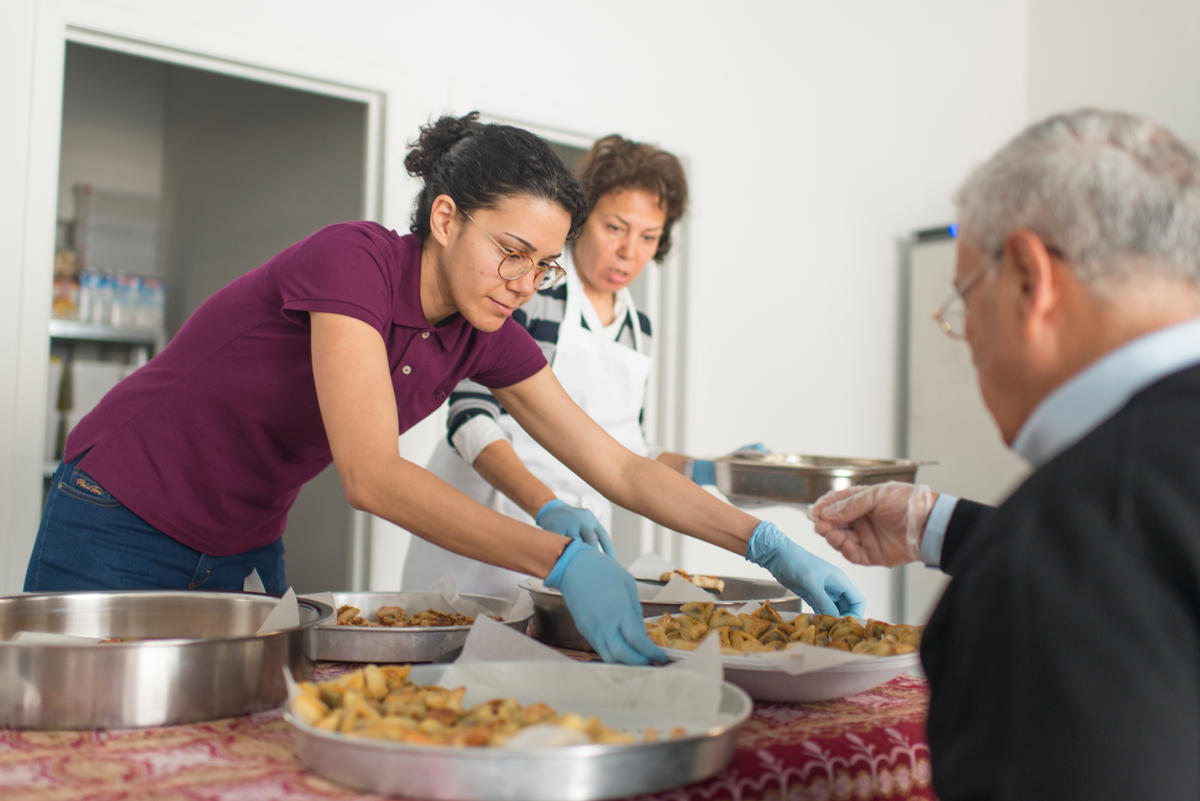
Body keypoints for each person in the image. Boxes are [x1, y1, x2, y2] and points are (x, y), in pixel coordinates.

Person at [27, 112, 863, 665]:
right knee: (67, 749)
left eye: (541, 264)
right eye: (511, 251)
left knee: (236, 742)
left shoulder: (483, 329)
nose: (524, 282)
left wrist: (764, 544)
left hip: (244, 540)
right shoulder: (349, 260)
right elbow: (372, 475)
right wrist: (560, 555)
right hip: (120, 508)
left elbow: (620, 466)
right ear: (445, 218)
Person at [809, 108, 1200, 799]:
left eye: (963, 299)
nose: (966, 337)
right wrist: (936, 524)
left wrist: (1011, 552)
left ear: (1028, 277)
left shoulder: (1049, 564)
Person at [403, 133, 760, 599]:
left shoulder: (638, 328)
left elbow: (627, 450)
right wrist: (546, 506)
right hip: (482, 543)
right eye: (615, 228)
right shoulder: (524, 291)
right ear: (581, 220)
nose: (630, 251)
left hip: (576, 551)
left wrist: (713, 471)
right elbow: (470, 416)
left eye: (648, 236)